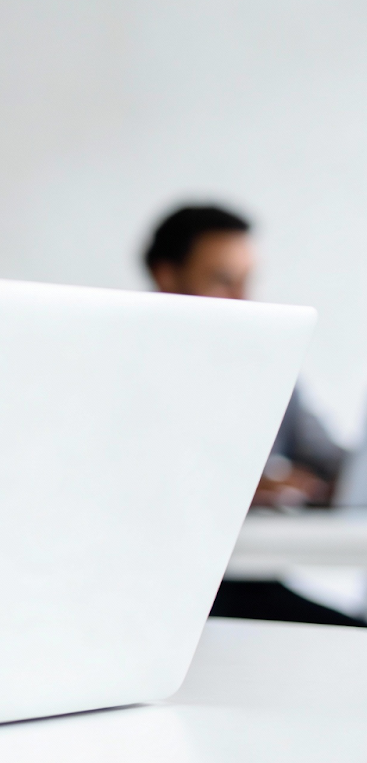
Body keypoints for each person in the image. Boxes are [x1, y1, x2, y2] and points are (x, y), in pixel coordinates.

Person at [144, 204, 363, 626]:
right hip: (170, 589)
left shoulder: (267, 366)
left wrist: (335, 481)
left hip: (249, 578)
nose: (243, 298)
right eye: (223, 279)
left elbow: (330, 460)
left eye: (247, 280)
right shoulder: (129, 368)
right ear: (166, 274)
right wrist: (243, 485)